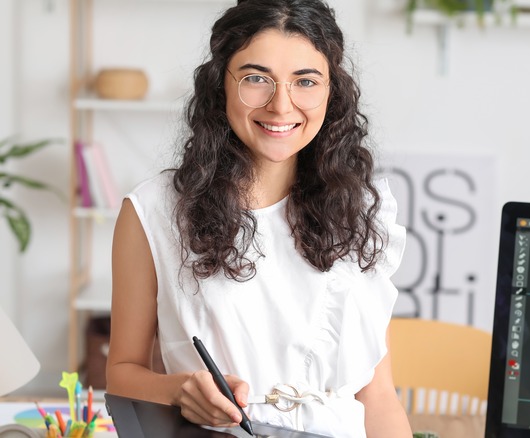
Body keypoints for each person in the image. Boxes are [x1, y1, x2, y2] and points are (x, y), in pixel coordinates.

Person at [105, 0, 411, 436]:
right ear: (220, 86)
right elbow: (122, 370)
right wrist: (181, 390)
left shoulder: (361, 207)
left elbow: (377, 396)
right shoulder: (154, 212)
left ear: (332, 91)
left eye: (305, 81)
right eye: (255, 79)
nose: (281, 105)